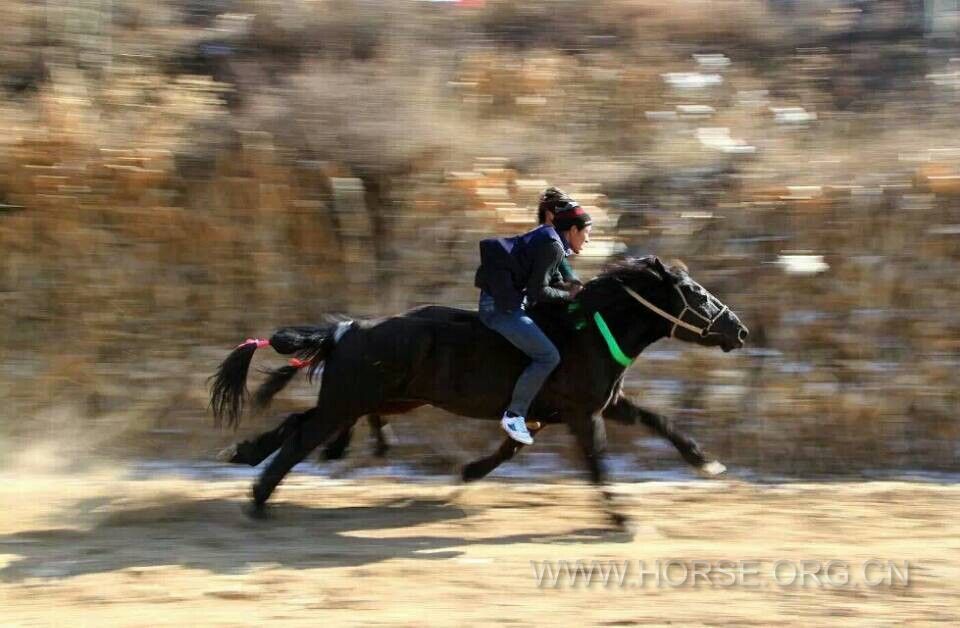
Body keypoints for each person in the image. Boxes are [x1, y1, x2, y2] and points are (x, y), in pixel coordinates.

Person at [474, 193, 593, 445]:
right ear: (572, 229)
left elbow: (550, 280)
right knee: (548, 355)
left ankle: (531, 405)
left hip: (507, 303)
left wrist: (568, 288)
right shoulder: (552, 246)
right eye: (586, 233)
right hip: (499, 309)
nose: (588, 240)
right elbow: (539, 290)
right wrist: (570, 297)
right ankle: (514, 414)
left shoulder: (549, 238)